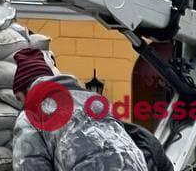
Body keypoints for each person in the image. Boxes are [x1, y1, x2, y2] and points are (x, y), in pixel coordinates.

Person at [10, 48, 148, 171]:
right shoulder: (95, 100)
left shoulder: (31, 114)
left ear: (25, 90)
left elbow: (29, 164)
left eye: (19, 98)